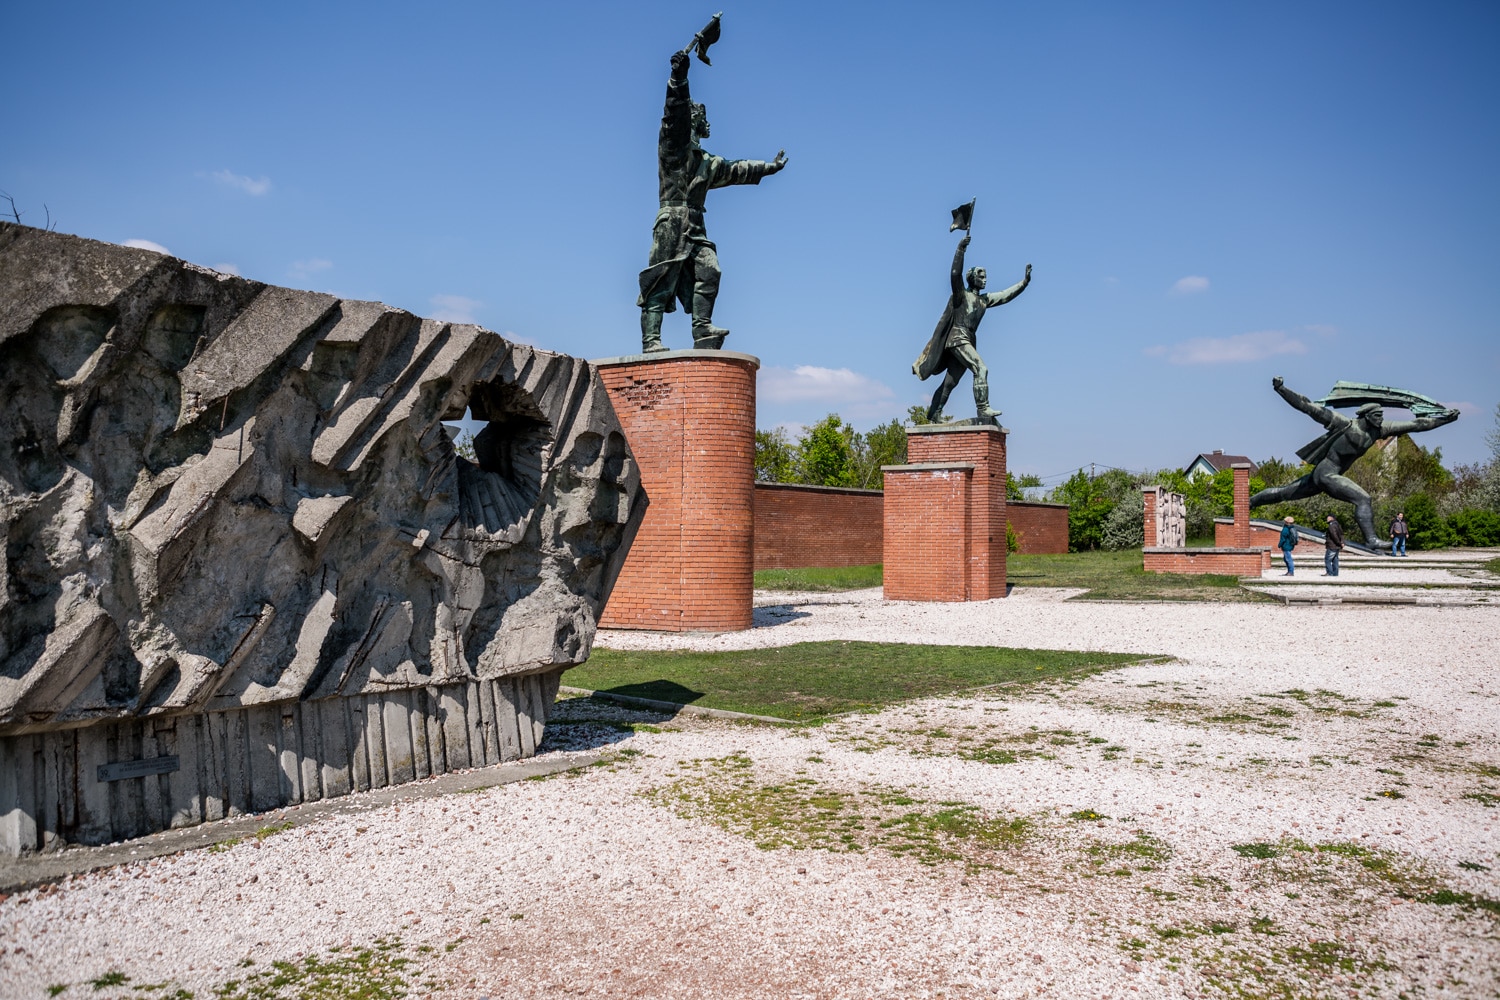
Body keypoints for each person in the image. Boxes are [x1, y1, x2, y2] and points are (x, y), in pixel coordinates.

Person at [637, 48, 788, 353]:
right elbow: (673, 114)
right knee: (661, 281)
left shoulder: (708, 162)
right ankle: (651, 341)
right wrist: (679, 79)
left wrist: (769, 167)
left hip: (695, 224)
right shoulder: (673, 150)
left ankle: (702, 329)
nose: (708, 124)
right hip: (672, 221)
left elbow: (737, 170)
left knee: (710, 269)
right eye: (703, 118)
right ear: (693, 120)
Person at [1249, 377, 1458, 546]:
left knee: (1284, 493)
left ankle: (1246, 504)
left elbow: (1416, 424)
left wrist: (1444, 419)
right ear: (1366, 415)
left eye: (1381, 416)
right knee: (1363, 499)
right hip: (1326, 473)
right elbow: (1307, 406)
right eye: (1377, 415)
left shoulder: (1379, 431)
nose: (1380, 419)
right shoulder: (1344, 424)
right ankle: (1371, 540)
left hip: (1328, 475)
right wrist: (1282, 390)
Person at [913, 235, 1031, 422]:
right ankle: (983, 409)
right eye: (981, 276)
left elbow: (1005, 295)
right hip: (957, 338)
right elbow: (954, 274)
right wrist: (961, 249)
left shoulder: (984, 300)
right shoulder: (961, 295)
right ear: (972, 278)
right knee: (980, 368)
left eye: (985, 276)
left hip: (968, 340)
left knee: (950, 383)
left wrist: (1024, 283)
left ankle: (934, 413)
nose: (985, 279)